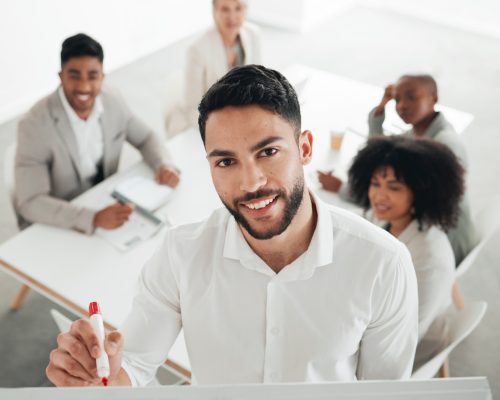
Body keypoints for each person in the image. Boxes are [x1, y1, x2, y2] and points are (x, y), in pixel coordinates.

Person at [46, 65, 418, 387]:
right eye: (226, 162)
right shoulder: (180, 254)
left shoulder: (383, 263)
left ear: (305, 149)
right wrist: (101, 378)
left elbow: (384, 391)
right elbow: (135, 366)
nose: (251, 183)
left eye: (268, 152)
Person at [15, 33, 180, 235]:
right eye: (74, 75)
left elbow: (145, 137)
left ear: (102, 76)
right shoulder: (34, 125)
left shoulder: (112, 100)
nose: (84, 86)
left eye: (92, 76)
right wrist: (92, 218)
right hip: (60, 222)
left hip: (106, 206)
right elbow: (30, 202)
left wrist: (163, 164)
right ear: (61, 76)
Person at [318, 74, 476, 264]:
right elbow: (380, 157)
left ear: (434, 98)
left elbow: (406, 199)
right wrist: (380, 109)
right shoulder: (416, 133)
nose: (401, 106)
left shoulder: (445, 144)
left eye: (411, 97)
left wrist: (340, 189)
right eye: (397, 99)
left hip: (446, 239)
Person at [348, 135, 464, 368]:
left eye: (394, 187)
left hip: (404, 350)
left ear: (420, 192)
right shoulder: (381, 216)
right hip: (371, 312)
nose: (379, 196)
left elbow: (404, 335)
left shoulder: (429, 258)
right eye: (375, 183)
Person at [165, 0, 261, 135]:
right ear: (214, 11)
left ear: (245, 10)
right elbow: (193, 108)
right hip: (208, 120)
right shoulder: (197, 49)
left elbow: (258, 82)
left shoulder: (253, 34)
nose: (232, 17)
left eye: (238, 8)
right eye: (225, 9)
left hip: (239, 115)